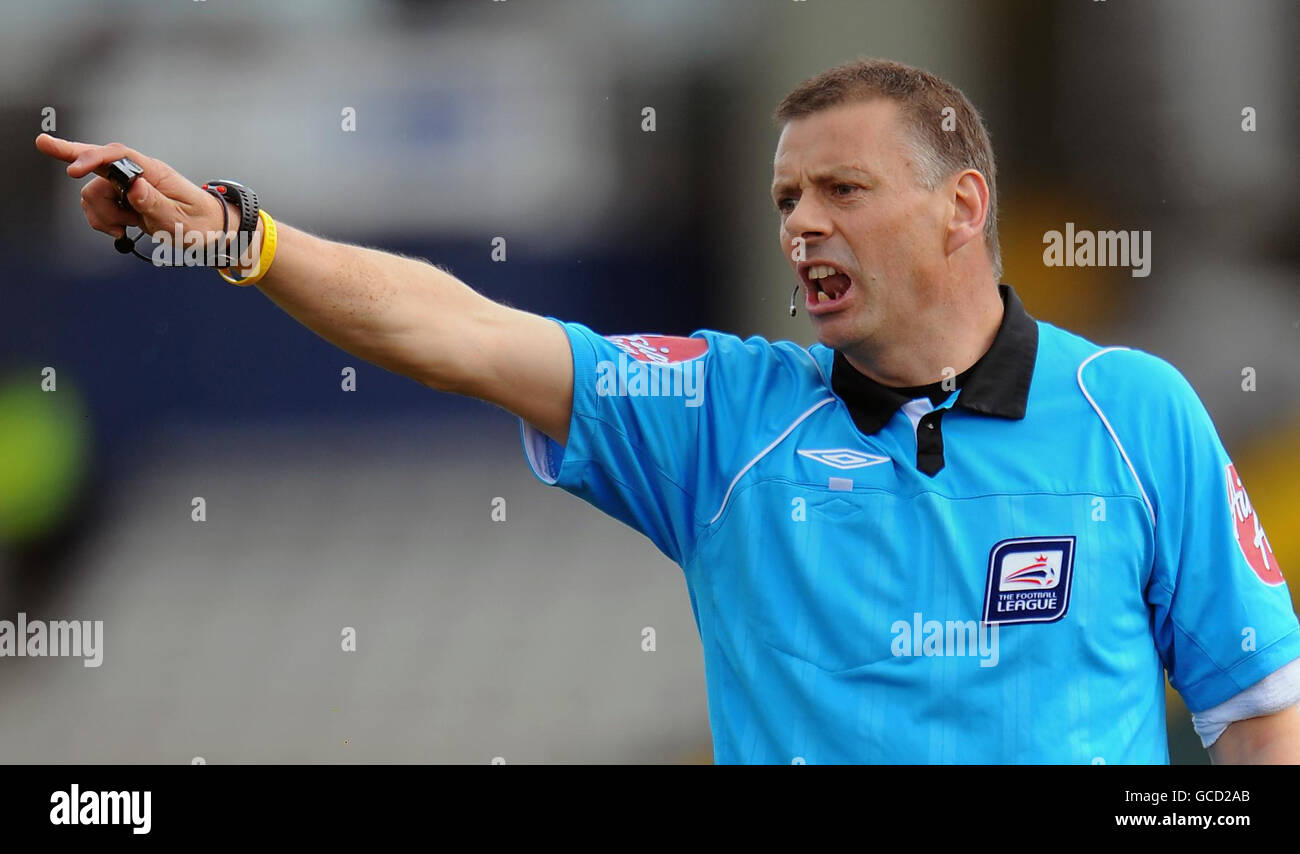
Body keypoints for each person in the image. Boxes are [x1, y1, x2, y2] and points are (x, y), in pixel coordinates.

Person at [36, 57, 1300, 764]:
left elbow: (1257, 712)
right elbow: (456, 328)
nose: (802, 220)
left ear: (962, 209)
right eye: (787, 194)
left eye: (843, 188)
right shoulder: (718, 413)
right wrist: (240, 241)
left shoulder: (1133, 409)